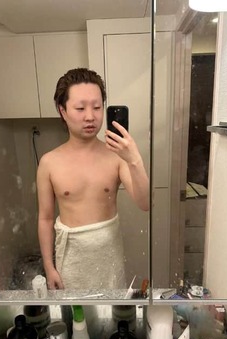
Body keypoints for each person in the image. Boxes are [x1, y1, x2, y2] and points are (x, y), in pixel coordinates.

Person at [36, 68, 150, 291]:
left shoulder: (116, 156)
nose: (90, 116)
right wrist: (49, 267)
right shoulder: (49, 162)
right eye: (80, 108)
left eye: (97, 107)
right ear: (62, 111)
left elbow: (145, 203)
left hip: (108, 257)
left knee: (110, 310)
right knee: (75, 311)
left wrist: (134, 159)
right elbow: (45, 219)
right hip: (71, 260)